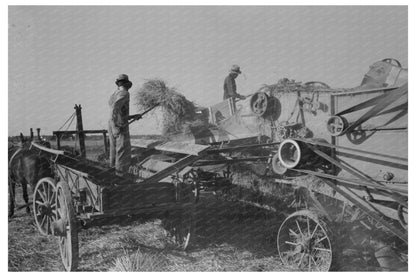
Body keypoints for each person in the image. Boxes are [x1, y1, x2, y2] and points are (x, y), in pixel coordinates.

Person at [108, 74, 133, 177]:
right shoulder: (125, 93)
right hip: (119, 126)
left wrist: (131, 116)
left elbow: (118, 112)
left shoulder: (114, 94)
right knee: (122, 153)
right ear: (127, 84)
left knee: (114, 151)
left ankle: (112, 175)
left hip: (112, 123)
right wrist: (115, 127)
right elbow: (115, 109)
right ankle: (121, 180)